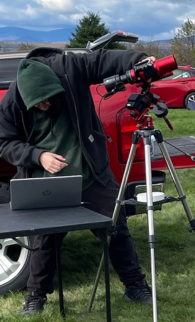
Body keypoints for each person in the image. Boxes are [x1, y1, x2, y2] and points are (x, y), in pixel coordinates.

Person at [0, 47, 154, 316]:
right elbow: (4, 142)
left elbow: (103, 59)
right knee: (44, 241)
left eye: (47, 100)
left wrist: (138, 59)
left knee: (116, 227)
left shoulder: (70, 69)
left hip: (90, 171)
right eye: (36, 104)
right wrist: (38, 156)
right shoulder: (14, 99)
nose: (43, 106)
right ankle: (36, 296)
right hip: (45, 178)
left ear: (55, 84)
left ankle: (135, 286)